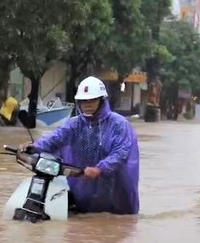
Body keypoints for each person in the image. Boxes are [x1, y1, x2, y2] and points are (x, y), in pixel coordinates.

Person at [19, 76, 140, 215]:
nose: (87, 104)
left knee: (114, 221)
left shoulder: (118, 124)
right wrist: (34, 147)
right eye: (83, 101)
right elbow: (56, 138)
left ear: (101, 100)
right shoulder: (74, 124)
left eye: (92, 100)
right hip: (83, 185)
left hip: (115, 187)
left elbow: (121, 153)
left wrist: (100, 168)